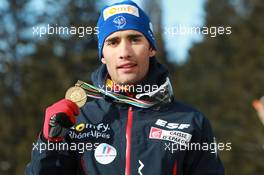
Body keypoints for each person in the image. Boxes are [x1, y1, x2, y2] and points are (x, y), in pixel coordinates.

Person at [26, 1, 225, 175]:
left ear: (151, 48)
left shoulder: (191, 121)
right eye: (113, 42)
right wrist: (49, 143)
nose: (124, 52)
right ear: (102, 56)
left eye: (135, 39)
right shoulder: (78, 119)